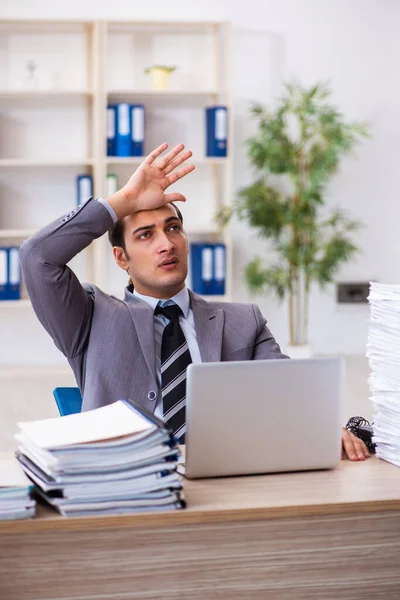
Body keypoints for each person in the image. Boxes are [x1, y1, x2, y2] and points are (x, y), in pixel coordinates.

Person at [20, 142, 369, 461]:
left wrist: (324, 425)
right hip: (126, 488)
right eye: (146, 234)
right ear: (121, 258)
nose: (166, 244)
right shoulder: (89, 316)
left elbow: (289, 393)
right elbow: (37, 257)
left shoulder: (243, 321)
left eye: (173, 228)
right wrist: (123, 202)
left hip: (224, 484)